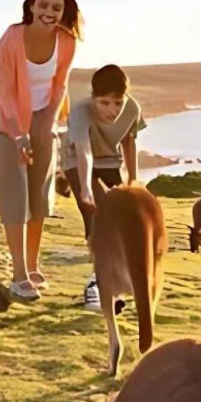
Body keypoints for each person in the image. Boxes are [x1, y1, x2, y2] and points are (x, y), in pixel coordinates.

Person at [0, 0, 81, 301]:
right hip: (8, 119)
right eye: (43, 5)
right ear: (31, 6)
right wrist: (17, 135)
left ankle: (32, 263)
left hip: (45, 116)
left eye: (56, 8)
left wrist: (47, 122)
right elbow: (3, 94)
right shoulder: (11, 39)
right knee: (16, 192)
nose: (49, 12)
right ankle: (18, 274)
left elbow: (61, 86)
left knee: (39, 192)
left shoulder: (67, 41)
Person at [62, 64, 145, 309]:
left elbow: (130, 142)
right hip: (76, 162)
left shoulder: (132, 109)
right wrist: (86, 188)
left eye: (117, 103)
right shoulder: (80, 113)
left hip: (110, 161)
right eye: (104, 103)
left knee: (125, 219)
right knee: (97, 217)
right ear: (93, 98)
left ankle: (115, 282)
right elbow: (84, 151)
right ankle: (95, 287)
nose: (113, 110)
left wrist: (133, 179)